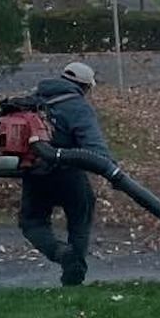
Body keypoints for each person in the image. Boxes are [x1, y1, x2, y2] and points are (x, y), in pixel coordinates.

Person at [21, 61, 110, 287]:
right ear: (85, 87)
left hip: (35, 175)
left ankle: (60, 253)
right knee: (80, 220)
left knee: (32, 222)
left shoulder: (34, 101)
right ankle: (74, 273)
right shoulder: (78, 106)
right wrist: (111, 169)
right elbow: (96, 150)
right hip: (69, 175)